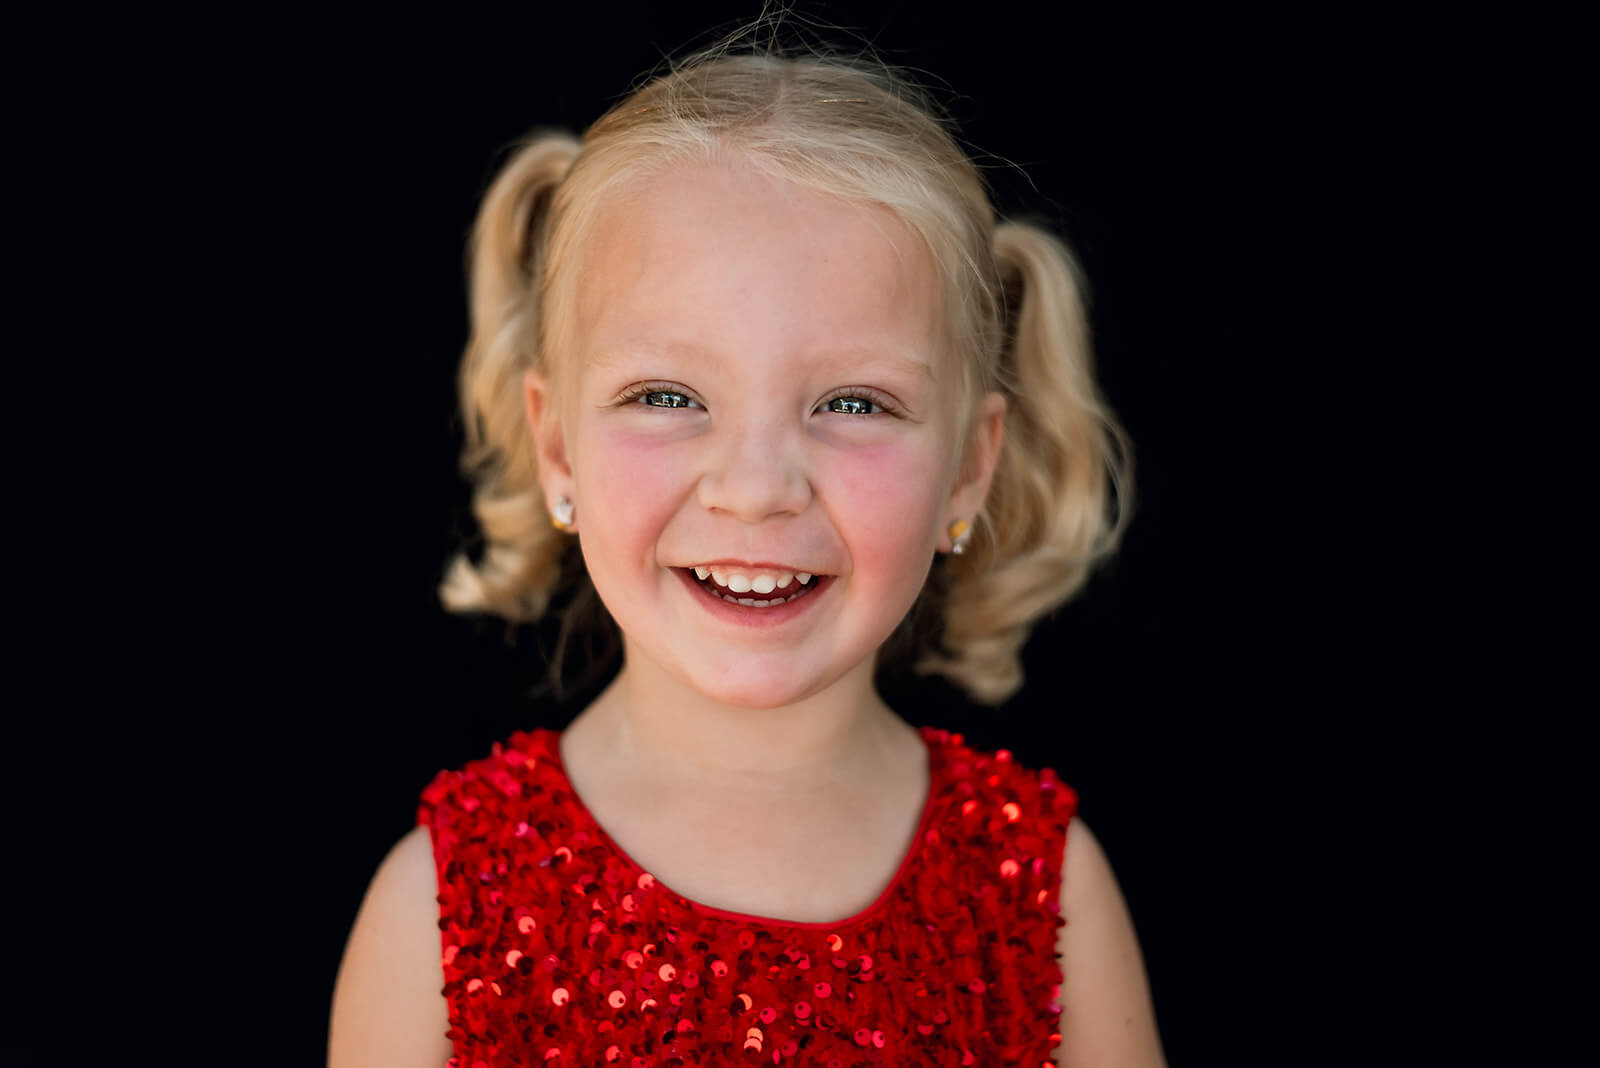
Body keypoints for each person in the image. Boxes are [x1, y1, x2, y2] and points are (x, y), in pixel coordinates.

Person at [329, 24, 1164, 1068]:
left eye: (853, 401)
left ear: (968, 466)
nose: (757, 490)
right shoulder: (445, 906)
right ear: (557, 450)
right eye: (667, 395)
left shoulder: (1042, 889)